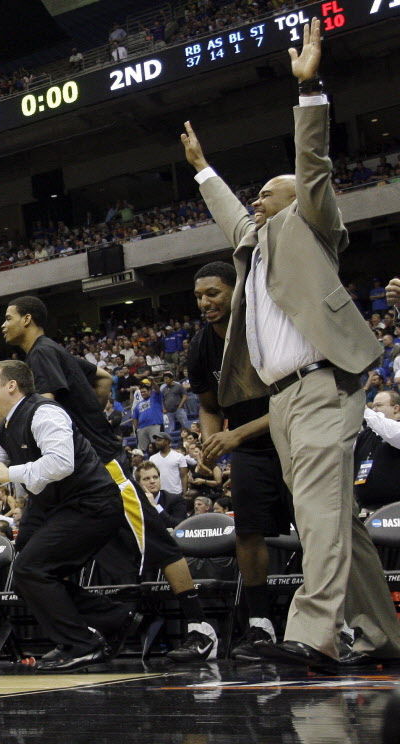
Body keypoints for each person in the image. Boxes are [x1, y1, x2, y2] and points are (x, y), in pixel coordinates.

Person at [180, 18, 400, 665]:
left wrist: (309, 92)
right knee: (340, 525)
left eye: (267, 193)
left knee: (317, 515)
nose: (258, 200)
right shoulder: (252, 252)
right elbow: (232, 220)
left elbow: (314, 166)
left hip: (320, 388)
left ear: (294, 199)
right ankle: (386, 636)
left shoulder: (311, 226)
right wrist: (201, 172)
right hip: (282, 402)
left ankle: (312, 635)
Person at [0, 295, 218, 662]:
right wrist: (85, 414)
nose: (2, 325)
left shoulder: (40, 354)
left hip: (100, 465)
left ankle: (200, 628)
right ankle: (96, 629)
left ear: (27, 320)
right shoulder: (51, 351)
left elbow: (34, 408)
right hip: (72, 473)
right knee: (35, 559)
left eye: (8, 318)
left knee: (156, 539)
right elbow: (103, 380)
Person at [0, 361, 131, 672]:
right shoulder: (6, 426)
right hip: (56, 506)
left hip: (91, 504)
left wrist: (12, 473)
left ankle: (84, 645)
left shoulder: (45, 412)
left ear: (12, 386)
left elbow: (61, 463)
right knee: (26, 578)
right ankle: (115, 620)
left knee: (32, 569)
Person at [188, 261, 296, 660]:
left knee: (316, 531)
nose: (205, 302)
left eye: (213, 293)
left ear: (237, 291)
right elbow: (208, 405)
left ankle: (337, 620)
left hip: (293, 439)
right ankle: (260, 624)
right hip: (249, 449)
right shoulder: (201, 345)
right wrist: (210, 439)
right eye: (199, 296)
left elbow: (291, 401)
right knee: (247, 533)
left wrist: (234, 434)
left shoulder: (266, 330)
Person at [354, 391, 400, 511]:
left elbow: (389, 432)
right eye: (372, 406)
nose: (374, 409)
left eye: (378, 406)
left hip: (396, 508)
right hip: (366, 509)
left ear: (396, 408)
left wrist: (363, 409)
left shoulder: (395, 430)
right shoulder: (364, 436)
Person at [136, 461, 187, 528]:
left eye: (155, 477)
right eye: (147, 479)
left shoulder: (176, 499)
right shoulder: (135, 501)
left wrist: (155, 506)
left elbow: (180, 526)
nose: (152, 481)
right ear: (138, 484)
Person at [148, 432, 189, 497]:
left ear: (167, 441)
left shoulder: (179, 456)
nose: (156, 442)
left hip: (176, 493)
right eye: (156, 440)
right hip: (159, 494)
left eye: (159, 440)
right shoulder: (152, 458)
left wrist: (184, 492)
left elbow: (184, 476)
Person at [132, 379, 164, 448]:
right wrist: (137, 429)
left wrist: (153, 382)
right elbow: (134, 417)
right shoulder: (138, 404)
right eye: (141, 392)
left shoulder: (155, 397)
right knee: (142, 449)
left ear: (149, 391)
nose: (142, 393)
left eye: (144, 391)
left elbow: (157, 390)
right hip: (141, 428)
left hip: (155, 425)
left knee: (157, 446)